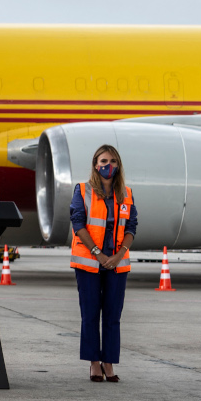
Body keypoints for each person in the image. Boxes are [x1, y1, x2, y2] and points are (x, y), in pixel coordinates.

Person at [71, 144, 137, 383]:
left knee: (112, 315)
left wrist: (119, 255)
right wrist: (98, 254)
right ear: (95, 165)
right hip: (89, 261)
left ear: (118, 165)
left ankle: (109, 362)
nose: (108, 166)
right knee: (90, 314)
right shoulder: (82, 190)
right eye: (103, 162)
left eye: (112, 161)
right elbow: (78, 224)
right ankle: (93, 363)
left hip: (117, 264)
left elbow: (131, 228)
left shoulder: (126, 193)